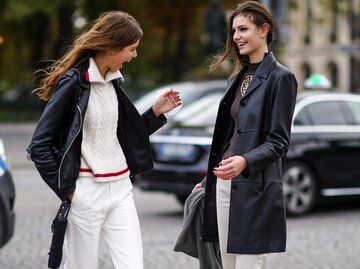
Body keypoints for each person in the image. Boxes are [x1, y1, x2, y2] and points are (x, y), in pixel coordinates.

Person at [27, 11, 181, 269]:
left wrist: (155, 113)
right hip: (86, 191)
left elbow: (122, 138)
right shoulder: (74, 83)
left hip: (121, 189)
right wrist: (70, 191)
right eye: (131, 49)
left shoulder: (114, 85)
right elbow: (40, 146)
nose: (134, 55)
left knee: (132, 265)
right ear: (112, 47)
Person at [193, 1, 298, 269]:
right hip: (225, 185)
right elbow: (229, 138)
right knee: (227, 265)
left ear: (264, 30)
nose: (236, 36)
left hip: (256, 190)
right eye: (233, 31)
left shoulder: (281, 78)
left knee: (249, 264)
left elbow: (279, 142)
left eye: (243, 29)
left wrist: (245, 161)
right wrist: (208, 183)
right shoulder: (236, 78)